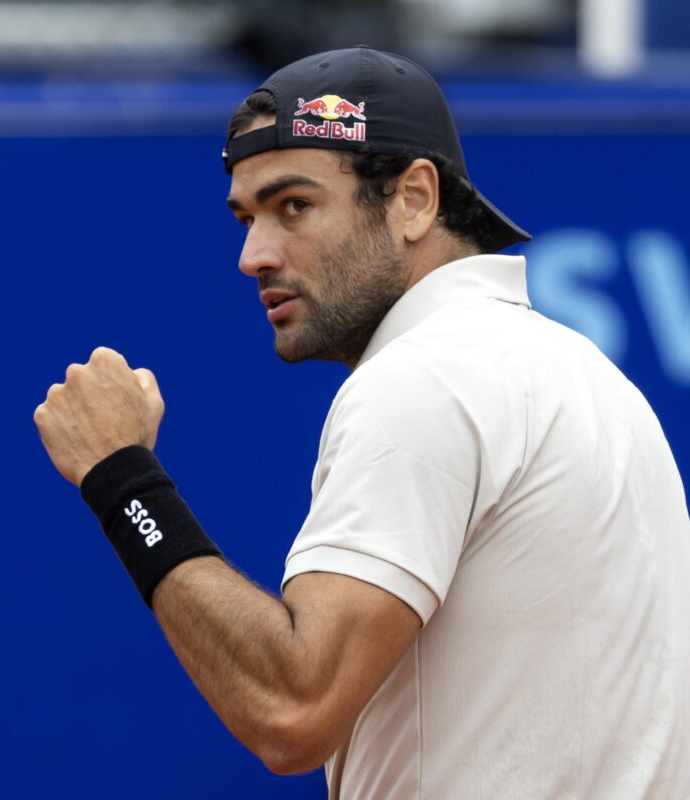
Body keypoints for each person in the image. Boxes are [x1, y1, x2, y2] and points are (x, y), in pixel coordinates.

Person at [34, 46, 690, 798]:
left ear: (413, 199)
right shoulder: (588, 377)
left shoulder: (425, 377)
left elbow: (291, 709)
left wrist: (121, 476)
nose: (254, 255)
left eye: (295, 207)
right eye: (247, 218)